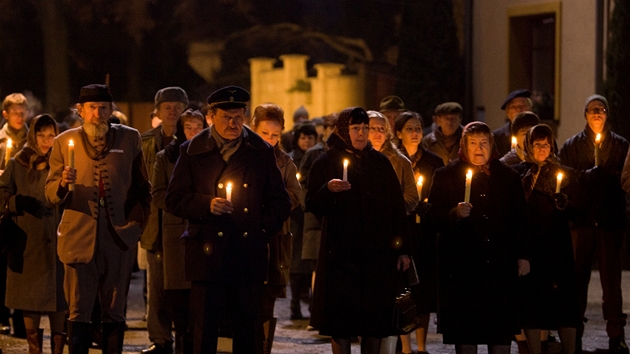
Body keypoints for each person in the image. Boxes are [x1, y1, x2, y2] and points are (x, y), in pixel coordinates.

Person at [164, 86, 291, 354]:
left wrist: (260, 231)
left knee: (247, 330)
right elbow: (173, 199)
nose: (233, 124)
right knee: (204, 331)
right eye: (226, 117)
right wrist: (206, 204)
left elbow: (280, 202)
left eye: (238, 117)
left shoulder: (260, 150)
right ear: (211, 116)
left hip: (247, 253)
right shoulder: (192, 150)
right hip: (207, 253)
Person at [45, 83, 152, 354]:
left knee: (115, 309)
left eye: (103, 107)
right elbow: (49, 192)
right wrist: (61, 184)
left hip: (118, 236)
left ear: (111, 110)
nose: (97, 113)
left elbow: (143, 189)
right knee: (78, 309)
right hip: (78, 237)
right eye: (91, 108)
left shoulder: (130, 138)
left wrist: (136, 226)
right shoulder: (62, 142)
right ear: (80, 111)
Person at [306, 107, 411, 354]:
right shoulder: (326, 162)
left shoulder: (380, 162)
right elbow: (311, 204)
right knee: (341, 324)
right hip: (341, 257)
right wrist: (328, 190)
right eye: (356, 128)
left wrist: (403, 250)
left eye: (365, 128)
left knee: (373, 323)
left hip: (376, 256)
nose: (362, 134)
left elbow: (396, 209)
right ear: (344, 130)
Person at [429, 121, 530, 354]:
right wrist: (453, 213)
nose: (479, 148)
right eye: (473, 143)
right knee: (466, 334)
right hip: (462, 271)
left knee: (500, 334)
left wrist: (523, 255)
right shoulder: (446, 175)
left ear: (491, 144)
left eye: (483, 142)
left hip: (498, 269)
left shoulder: (508, 177)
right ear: (464, 145)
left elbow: (520, 220)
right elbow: (432, 216)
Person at [559, 94, 629, 354]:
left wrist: (607, 177)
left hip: (610, 222)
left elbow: (625, 176)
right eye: (592, 109)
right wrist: (584, 176)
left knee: (612, 283)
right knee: (578, 281)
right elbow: (563, 174)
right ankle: (575, 333)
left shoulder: (620, 145)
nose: (597, 113)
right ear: (585, 114)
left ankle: (616, 336)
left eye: (601, 109)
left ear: (607, 114)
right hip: (583, 220)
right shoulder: (573, 145)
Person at [0, 114, 66, 354]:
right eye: (41, 135)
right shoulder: (19, 162)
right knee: (31, 302)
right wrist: (18, 201)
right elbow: (1, 193)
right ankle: (34, 350)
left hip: (57, 240)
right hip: (29, 242)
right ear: (33, 135)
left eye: (51, 135)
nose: (47, 140)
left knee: (60, 299)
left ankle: (58, 349)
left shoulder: (61, 163)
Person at [518, 124, 580, 354]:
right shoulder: (520, 173)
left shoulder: (565, 174)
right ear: (529, 146)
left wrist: (566, 205)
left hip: (557, 247)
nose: (542, 149)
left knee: (564, 306)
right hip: (531, 247)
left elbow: (579, 210)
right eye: (537, 144)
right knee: (532, 305)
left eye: (546, 144)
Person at [151, 108, 207, 354]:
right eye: (189, 127)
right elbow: (158, 193)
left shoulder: (210, 155)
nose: (194, 132)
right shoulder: (166, 157)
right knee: (176, 299)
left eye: (198, 127)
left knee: (201, 298)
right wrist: (184, 205)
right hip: (175, 232)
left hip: (204, 230)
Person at [141, 86, 189, 354]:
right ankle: (160, 338)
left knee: (184, 284)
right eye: (167, 107)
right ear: (157, 111)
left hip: (185, 223)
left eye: (178, 107)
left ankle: (186, 335)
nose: (172, 112)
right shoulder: (145, 141)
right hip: (154, 224)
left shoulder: (195, 140)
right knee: (157, 286)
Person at [250, 103, 301, 353]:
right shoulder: (244, 156)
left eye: (275, 135)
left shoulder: (284, 162)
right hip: (245, 236)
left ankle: (263, 347)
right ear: (253, 129)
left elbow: (295, 194)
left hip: (274, 237)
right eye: (264, 134)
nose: (270, 140)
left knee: (266, 299)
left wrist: (274, 203)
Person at [392, 111, 444, 354]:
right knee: (404, 289)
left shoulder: (433, 162)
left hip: (425, 232)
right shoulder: (392, 160)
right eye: (409, 128)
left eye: (418, 128)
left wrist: (428, 206)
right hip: (401, 230)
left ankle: (421, 346)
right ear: (399, 133)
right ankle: (405, 347)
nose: (415, 133)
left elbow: (442, 197)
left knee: (423, 291)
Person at [298, 112, 338, 326]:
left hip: (336, 217)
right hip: (316, 219)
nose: (332, 132)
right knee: (317, 268)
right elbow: (303, 183)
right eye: (329, 127)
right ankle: (317, 310)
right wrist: (310, 203)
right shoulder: (314, 154)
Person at [0, 93, 30, 338]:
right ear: (6, 114)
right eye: (15, 112)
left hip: (25, 209)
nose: (20, 116)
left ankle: (21, 319)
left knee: (23, 267)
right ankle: (3, 316)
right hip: (3, 209)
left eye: (23, 112)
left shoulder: (33, 139)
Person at [287, 121, 317, 320]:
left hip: (311, 218)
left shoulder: (316, 157)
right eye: (303, 137)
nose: (307, 141)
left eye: (310, 137)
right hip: (296, 219)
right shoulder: (292, 160)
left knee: (309, 265)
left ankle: (311, 305)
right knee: (296, 265)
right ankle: (295, 304)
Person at [493, 89, 533, 156]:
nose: (518, 109)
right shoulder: (497, 137)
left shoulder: (541, 132)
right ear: (507, 112)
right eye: (513, 107)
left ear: (530, 109)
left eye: (523, 106)